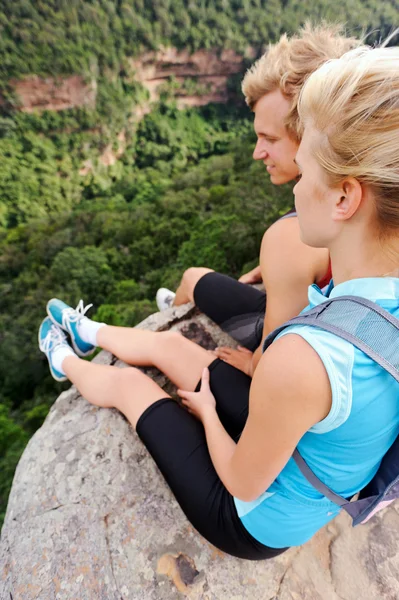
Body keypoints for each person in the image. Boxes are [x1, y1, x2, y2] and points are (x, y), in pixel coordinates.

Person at [39, 44, 399, 559]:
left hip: (254, 521)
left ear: (344, 196)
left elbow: (243, 482)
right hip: (308, 446)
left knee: (127, 385)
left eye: (308, 161)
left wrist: (207, 412)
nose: (297, 180)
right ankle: (86, 332)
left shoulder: (301, 358)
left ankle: (62, 355)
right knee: (181, 353)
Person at [156, 24, 359, 378]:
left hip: (296, 383)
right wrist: (288, 273)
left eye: (268, 138)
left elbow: (274, 360)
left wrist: (252, 363)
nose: (256, 153)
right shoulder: (372, 199)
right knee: (193, 277)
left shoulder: (291, 238)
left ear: (313, 135)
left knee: (170, 347)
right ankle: (172, 309)